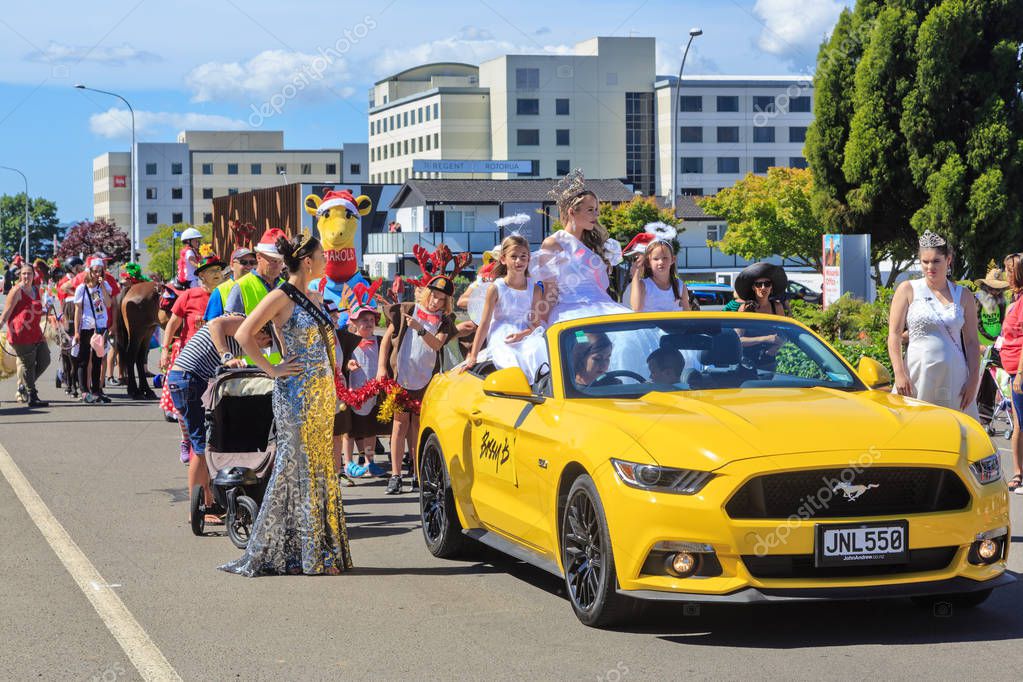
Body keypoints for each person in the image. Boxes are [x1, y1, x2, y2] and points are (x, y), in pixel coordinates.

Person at [221, 233, 353, 576]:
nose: (326, 258)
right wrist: (273, 369)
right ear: (307, 261)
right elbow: (243, 333)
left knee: (321, 467)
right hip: (296, 395)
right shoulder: (282, 295)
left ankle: (318, 550)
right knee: (297, 469)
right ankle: (302, 554)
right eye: (322, 254)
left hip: (321, 395)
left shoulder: (313, 295)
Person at [168, 314, 273, 524]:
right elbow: (215, 324)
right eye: (266, 341)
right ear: (262, 330)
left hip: (190, 379)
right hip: (188, 378)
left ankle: (208, 501)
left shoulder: (244, 339)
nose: (263, 347)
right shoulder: (244, 322)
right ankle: (198, 508)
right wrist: (225, 354)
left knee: (205, 441)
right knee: (201, 446)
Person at [378, 274, 457, 495]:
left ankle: (416, 473)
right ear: (427, 293)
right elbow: (386, 339)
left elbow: (437, 344)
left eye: (442, 299)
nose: (436, 302)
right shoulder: (408, 310)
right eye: (434, 296)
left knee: (418, 426)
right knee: (399, 425)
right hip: (402, 375)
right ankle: (395, 475)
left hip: (426, 380)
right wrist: (381, 368)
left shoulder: (444, 321)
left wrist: (421, 329)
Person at [887, 231, 980, 418]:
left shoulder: (964, 295)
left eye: (936, 261)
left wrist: (973, 380)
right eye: (925, 261)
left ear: (948, 260)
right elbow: (894, 335)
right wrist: (899, 372)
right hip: (917, 374)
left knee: (956, 431)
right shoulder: (907, 289)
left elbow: (971, 342)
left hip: (954, 375)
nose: (930, 267)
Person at [463, 234, 541, 372]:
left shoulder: (534, 289)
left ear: (529, 258)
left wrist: (521, 335)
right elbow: (485, 323)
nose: (519, 260)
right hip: (502, 335)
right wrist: (473, 356)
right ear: (503, 259)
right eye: (514, 256)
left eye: (523, 256)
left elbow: (535, 324)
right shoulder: (496, 288)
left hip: (525, 334)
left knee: (537, 353)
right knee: (511, 358)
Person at [337, 295, 389, 482]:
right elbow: (340, 363)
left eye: (370, 320)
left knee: (370, 429)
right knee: (349, 430)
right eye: (363, 320)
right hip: (352, 392)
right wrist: (348, 365)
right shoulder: (348, 341)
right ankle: (348, 463)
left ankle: (369, 461)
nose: (368, 323)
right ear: (354, 322)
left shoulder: (380, 341)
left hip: (373, 392)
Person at [0, 264, 50, 407]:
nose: (26, 276)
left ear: (34, 275)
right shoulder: (16, 291)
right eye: (23, 274)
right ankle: (32, 396)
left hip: (36, 332)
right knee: (28, 365)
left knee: (45, 359)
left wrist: (48, 310)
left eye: (29, 273)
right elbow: (6, 314)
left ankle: (24, 386)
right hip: (20, 333)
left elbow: (37, 310)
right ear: (20, 275)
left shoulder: (36, 289)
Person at [997, 253, 1023, 492]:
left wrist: (1021, 373)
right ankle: (1018, 472)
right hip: (1013, 371)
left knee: (1021, 424)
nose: (1007, 275)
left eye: (1010, 270)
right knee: (1018, 424)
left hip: (1020, 373)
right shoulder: (1012, 299)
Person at [72, 257, 113, 403]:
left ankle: (96, 390)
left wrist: (102, 287)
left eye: (100, 271)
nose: (97, 274)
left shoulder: (105, 286)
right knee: (83, 359)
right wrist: (76, 331)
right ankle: (84, 391)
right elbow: (78, 310)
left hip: (100, 326)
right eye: (95, 271)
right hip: (86, 326)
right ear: (89, 271)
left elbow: (108, 304)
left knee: (98, 359)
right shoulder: (82, 289)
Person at [623, 225, 690, 312]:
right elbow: (636, 308)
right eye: (656, 259)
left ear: (673, 260)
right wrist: (635, 275)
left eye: (665, 258)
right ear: (648, 263)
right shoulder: (643, 285)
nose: (661, 262)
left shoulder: (680, 285)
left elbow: (687, 313)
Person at [203, 247, 256, 321]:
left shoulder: (261, 285)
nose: (249, 266)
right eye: (243, 262)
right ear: (232, 266)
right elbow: (211, 325)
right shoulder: (220, 291)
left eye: (252, 262)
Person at [974, 268, 1009, 346]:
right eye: (990, 288)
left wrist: (1000, 337)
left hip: (998, 340)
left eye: (998, 290)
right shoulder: (978, 298)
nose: (994, 292)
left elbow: (1003, 321)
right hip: (982, 341)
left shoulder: (1003, 301)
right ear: (984, 287)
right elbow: (975, 321)